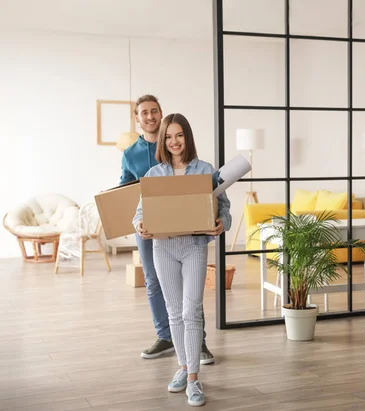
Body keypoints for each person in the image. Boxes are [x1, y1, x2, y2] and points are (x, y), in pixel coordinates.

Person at [132, 113, 231, 407]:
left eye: (179, 135)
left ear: (187, 137)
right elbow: (140, 212)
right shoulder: (153, 174)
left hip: (194, 246)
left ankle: (193, 379)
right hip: (162, 248)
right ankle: (183, 367)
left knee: (192, 309)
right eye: (168, 137)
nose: (174, 142)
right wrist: (139, 224)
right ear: (163, 141)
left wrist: (221, 223)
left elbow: (223, 206)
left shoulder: (205, 170)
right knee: (174, 312)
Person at [120, 95, 214, 365]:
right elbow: (126, 192)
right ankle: (166, 337)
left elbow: (212, 198)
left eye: (154, 111)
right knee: (153, 282)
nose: (149, 116)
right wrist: (137, 220)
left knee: (190, 290)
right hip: (151, 230)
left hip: (188, 234)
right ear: (137, 119)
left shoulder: (196, 164)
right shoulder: (131, 155)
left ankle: (199, 341)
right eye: (144, 113)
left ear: (160, 114)